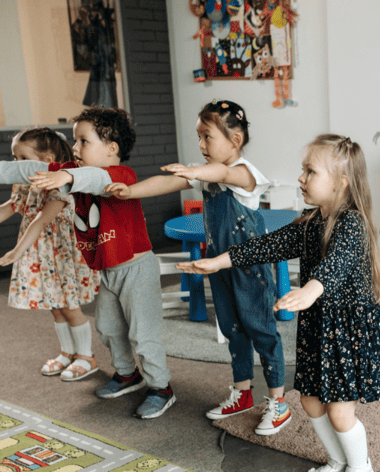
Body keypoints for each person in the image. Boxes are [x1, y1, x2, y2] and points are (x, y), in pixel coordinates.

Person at [177, 134, 380, 472]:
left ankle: (361, 470)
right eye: (303, 170)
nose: (302, 178)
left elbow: (336, 265)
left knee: (340, 412)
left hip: (348, 332)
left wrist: (309, 290)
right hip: (319, 329)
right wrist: (216, 261)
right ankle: (337, 461)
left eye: (310, 171)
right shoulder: (309, 222)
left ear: (341, 182)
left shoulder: (351, 224)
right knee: (309, 401)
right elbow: (264, 246)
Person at [0, 107, 177, 420]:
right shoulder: (72, 173)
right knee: (109, 329)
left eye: (83, 141)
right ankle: (128, 375)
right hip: (108, 271)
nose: (75, 148)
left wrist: (68, 175)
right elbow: (31, 170)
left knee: (142, 332)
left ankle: (161, 388)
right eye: (75, 141)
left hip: (136, 269)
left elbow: (96, 178)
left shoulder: (120, 175)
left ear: (111, 149)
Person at [106, 100, 288, 435]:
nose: (201, 145)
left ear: (235, 140)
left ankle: (278, 401)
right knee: (232, 329)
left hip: (249, 269)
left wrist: (194, 171)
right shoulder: (205, 173)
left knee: (261, 330)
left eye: (207, 137)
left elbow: (223, 174)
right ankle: (242, 393)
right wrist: (130, 192)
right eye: (198, 137)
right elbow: (167, 183)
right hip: (218, 266)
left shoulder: (247, 173)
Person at [0, 128, 100, 381]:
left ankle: (86, 357)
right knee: (54, 306)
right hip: (42, 255)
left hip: (62, 255)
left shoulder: (62, 184)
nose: (16, 165)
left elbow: (41, 221)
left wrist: (18, 249)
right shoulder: (25, 184)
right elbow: (7, 207)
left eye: (22, 159)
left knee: (69, 306)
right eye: (14, 158)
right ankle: (67, 352)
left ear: (46, 159)